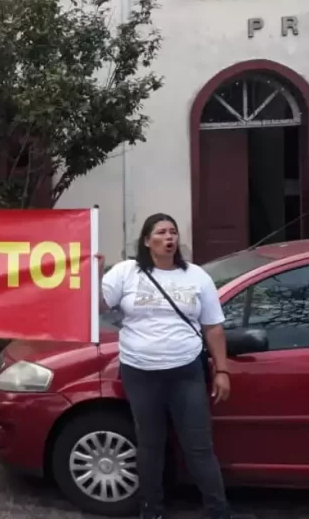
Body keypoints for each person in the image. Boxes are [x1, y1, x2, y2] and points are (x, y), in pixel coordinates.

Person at [98, 213, 233, 519]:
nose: (169, 237)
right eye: (161, 232)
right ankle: (151, 510)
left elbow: (213, 327)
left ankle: (218, 510)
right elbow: (98, 307)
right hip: (140, 372)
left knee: (198, 446)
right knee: (150, 444)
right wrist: (92, 275)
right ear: (147, 241)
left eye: (173, 232)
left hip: (185, 371)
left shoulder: (196, 276)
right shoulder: (126, 273)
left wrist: (222, 370)